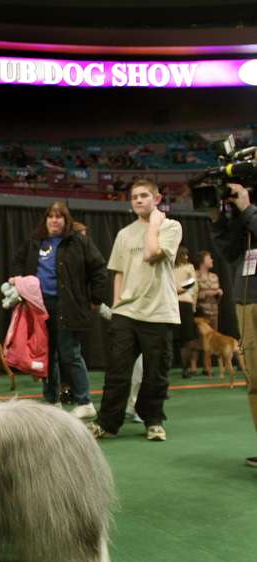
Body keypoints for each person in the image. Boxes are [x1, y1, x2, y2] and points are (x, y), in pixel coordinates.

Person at [88, 179, 182, 442]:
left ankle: (153, 420)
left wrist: (153, 224)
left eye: (144, 196)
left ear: (157, 199)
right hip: (127, 314)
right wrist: (118, 305)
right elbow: (118, 272)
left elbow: (152, 253)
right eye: (134, 197)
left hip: (159, 311)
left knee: (156, 373)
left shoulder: (171, 227)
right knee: (117, 372)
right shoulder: (124, 234)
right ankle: (107, 423)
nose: (139, 200)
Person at [10, 201, 107, 420]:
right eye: (51, 217)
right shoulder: (34, 242)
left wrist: (96, 298)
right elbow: (16, 262)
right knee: (46, 356)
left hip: (68, 307)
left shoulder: (79, 242)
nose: (55, 220)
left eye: (59, 217)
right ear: (46, 220)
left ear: (66, 220)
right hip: (39, 309)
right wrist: (17, 280)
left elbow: (99, 269)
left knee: (70, 354)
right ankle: (52, 400)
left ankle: (85, 402)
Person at [209, 183, 257, 467]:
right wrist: (217, 218)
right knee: (254, 380)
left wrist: (247, 208)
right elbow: (229, 252)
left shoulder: (248, 208)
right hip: (246, 299)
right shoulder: (244, 211)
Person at [173, 246, 199, 378]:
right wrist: (194, 305)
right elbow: (193, 284)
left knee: (174, 338)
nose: (188, 257)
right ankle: (185, 369)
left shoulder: (170, 269)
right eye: (185, 255)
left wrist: (174, 291)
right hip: (185, 303)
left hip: (172, 304)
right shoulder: (189, 267)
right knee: (186, 339)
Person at [194, 250, 222, 332]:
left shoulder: (214, 276)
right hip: (201, 314)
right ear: (202, 261)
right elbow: (195, 294)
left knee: (214, 337)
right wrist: (208, 293)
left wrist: (218, 293)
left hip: (214, 312)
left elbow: (217, 296)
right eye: (209, 258)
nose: (212, 260)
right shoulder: (195, 275)